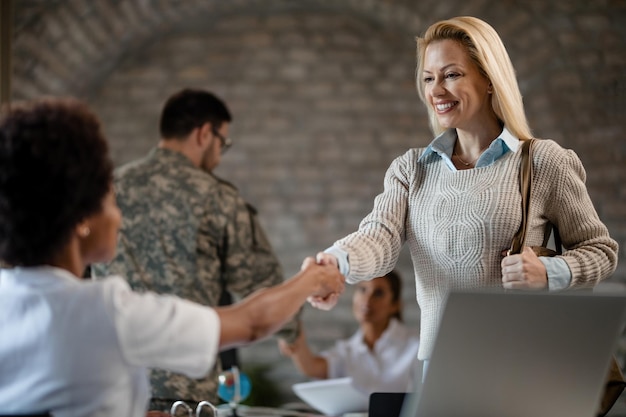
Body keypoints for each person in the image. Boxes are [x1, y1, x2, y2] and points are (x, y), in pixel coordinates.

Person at [311, 16, 618, 375]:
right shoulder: (412, 169)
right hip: (439, 364)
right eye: (428, 78)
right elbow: (379, 235)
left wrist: (549, 271)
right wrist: (336, 262)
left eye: (451, 74)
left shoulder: (542, 161)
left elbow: (601, 251)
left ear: (488, 78)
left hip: (521, 362)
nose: (436, 90)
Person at [0, 98, 344, 417]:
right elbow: (253, 316)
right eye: (109, 201)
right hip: (189, 397)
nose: (120, 218)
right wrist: (311, 283)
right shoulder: (107, 310)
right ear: (81, 219)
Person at [91, 88, 298, 409]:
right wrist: (294, 338)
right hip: (185, 395)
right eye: (222, 144)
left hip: (112, 385)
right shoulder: (218, 197)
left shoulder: (109, 189)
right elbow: (262, 284)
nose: (219, 155)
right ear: (204, 133)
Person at [279, 270, 420, 394]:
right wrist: (292, 332)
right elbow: (311, 367)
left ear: (395, 305)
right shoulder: (346, 351)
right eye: (362, 290)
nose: (367, 299)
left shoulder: (416, 347)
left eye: (378, 293)